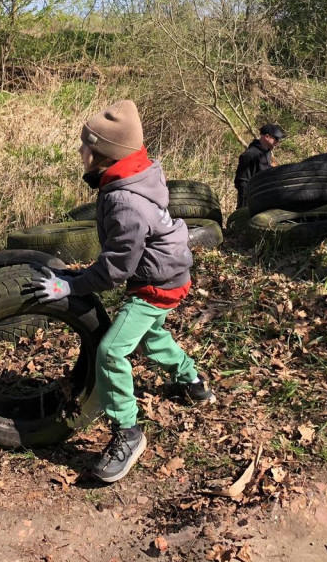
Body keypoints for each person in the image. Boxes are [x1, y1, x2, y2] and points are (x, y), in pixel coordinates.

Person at [31, 99, 215, 483]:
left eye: (87, 146)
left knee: (112, 350)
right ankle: (193, 382)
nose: (80, 151)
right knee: (152, 337)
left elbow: (116, 269)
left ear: (103, 155)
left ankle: (128, 433)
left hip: (156, 286)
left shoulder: (124, 201)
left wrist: (70, 284)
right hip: (171, 272)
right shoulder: (134, 175)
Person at [233, 123, 286, 208]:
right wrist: (245, 206)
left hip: (264, 199)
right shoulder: (249, 154)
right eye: (276, 138)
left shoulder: (267, 152)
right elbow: (241, 182)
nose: (277, 142)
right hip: (250, 203)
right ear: (267, 137)